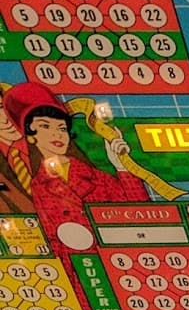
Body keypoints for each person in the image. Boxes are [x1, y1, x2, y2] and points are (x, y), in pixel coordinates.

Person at [1, 83, 146, 269]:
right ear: (31, 136)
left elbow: (139, 214)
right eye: (45, 126)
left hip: (119, 263)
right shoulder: (38, 184)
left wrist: (122, 167)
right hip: (75, 272)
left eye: (62, 128)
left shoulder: (96, 177)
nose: (57, 134)